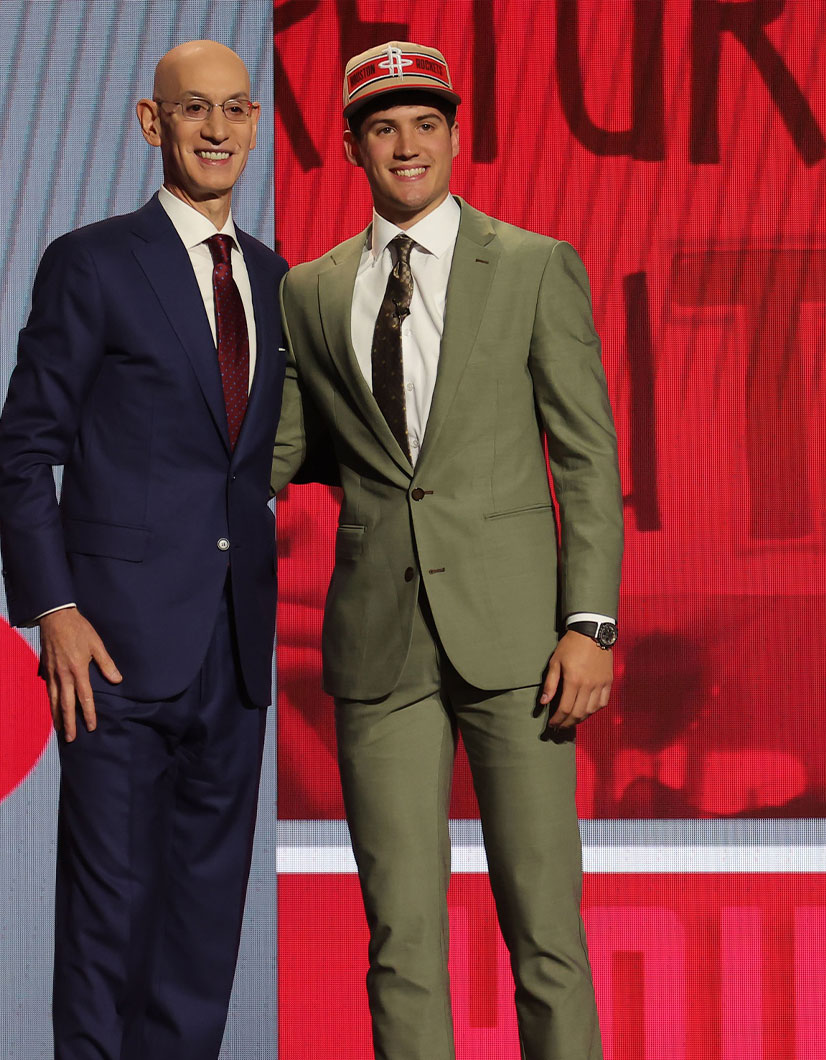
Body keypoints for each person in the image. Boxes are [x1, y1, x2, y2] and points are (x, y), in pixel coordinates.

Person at [272, 40, 623, 1060]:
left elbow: (589, 460)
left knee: (547, 931)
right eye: (384, 126)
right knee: (400, 939)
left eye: (426, 122)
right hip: (381, 642)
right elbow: (283, 451)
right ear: (351, 146)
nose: (408, 143)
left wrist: (589, 623)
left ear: (456, 134)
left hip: (522, 645)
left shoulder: (531, 265)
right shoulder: (310, 290)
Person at [0, 40, 285, 1060]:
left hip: (235, 655)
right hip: (112, 653)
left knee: (201, 943)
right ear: (150, 122)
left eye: (235, 109)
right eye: (192, 109)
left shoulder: (277, 281)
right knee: (109, 930)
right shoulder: (94, 261)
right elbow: (25, 452)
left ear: (257, 124)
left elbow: (263, 457)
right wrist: (55, 611)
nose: (215, 129)